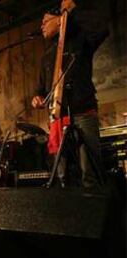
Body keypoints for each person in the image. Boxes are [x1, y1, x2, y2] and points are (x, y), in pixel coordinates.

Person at [31, 0, 108, 188]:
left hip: (83, 112)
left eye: (45, 21)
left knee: (90, 171)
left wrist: (69, 14)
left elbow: (101, 30)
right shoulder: (47, 55)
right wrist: (37, 98)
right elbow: (40, 90)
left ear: (57, 21)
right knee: (62, 175)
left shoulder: (80, 39)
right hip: (57, 117)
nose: (41, 27)